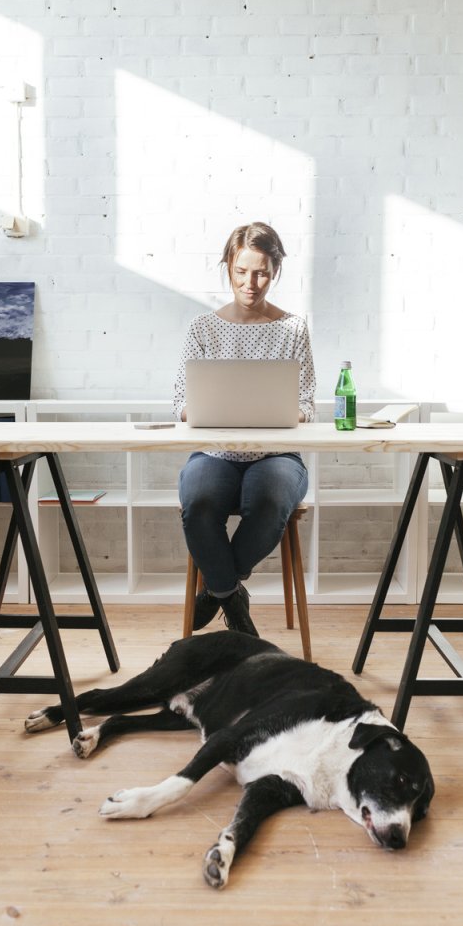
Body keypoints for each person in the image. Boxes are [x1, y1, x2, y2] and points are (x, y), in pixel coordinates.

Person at [174, 222, 316, 635]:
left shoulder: (293, 329)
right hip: (214, 452)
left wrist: (287, 412)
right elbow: (181, 401)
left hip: (277, 455)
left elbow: (306, 402)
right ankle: (233, 599)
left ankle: (216, 590)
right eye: (241, 271)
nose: (251, 283)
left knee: (270, 503)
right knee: (198, 504)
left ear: (275, 271)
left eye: (261, 273)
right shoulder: (202, 329)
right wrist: (200, 411)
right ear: (228, 267)